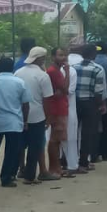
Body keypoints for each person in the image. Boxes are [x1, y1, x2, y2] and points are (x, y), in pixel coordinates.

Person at [0, 57, 30, 188]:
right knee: (11, 151)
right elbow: (26, 104)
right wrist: (25, 121)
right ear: (12, 67)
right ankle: (6, 178)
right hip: (14, 121)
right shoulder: (20, 82)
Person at [15, 47, 55, 183]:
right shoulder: (43, 76)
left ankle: (19, 170)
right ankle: (29, 176)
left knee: (20, 145)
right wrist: (49, 118)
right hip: (37, 115)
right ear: (40, 59)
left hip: (20, 114)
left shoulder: (18, 73)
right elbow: (47, 99)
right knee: (35, 146)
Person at [72, 44, 107, 171]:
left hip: (75, 102)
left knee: (74, 132)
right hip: (90, 102)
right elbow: (98, 91)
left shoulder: (73, 67)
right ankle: (83, 162)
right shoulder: (98, 69)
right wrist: (101, 104)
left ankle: (72, 160)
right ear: (93, 54)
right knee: (87, 133)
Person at [44, 48, 73, 177]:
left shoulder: (55, 71)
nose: (63, 58)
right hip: (57, 109)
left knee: (58, 139)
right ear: (53, 57)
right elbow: (65, 88)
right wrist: (67, 72)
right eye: (60, 55)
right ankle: (54, 168)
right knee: (55, 139)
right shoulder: (54, 72)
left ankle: (57, 168)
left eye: (64, 55)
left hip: (60, 107)